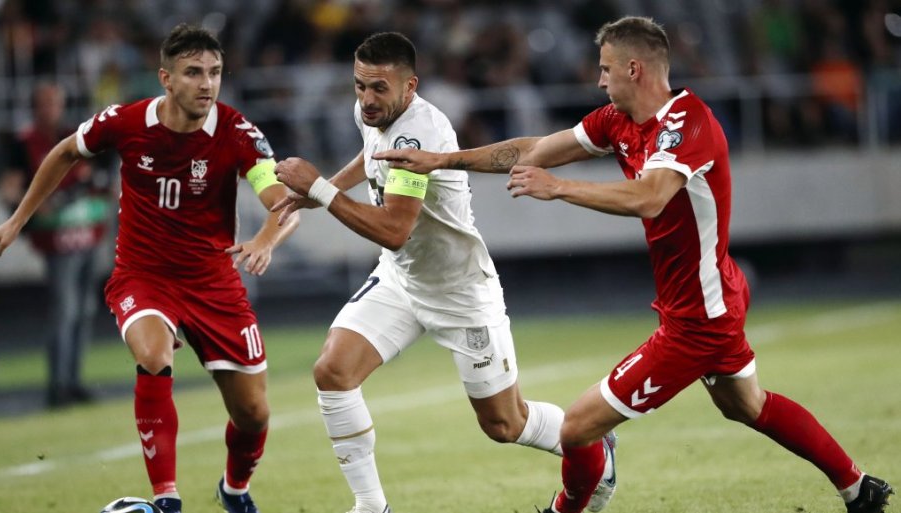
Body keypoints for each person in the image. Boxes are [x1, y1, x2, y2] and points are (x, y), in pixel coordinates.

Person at [373, 16, 894, 513]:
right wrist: (443, 161)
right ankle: (858, 488)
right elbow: (535, 149)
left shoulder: (688, 124)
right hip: (709, 299)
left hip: (697, 320)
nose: (599, 80)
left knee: (578, 428)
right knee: (746, 405)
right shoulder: (617, 122)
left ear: (633, 69)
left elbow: (650, 197)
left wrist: (559, 188)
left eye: (605, 69)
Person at [271, 32, 617, 513]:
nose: (366, 99)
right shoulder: (372, 112)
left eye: (379, 89)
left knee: (504, 425)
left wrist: (321, 192)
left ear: (409, 86)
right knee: (332, 371)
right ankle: (371, 506)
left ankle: (592, 442)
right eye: (360, 86)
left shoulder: (420, 133)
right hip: (401, 278)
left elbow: (394, 229)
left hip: (459, 289)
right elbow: (371, 155)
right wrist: (327, 187)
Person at [0, 23, 299, 513]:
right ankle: (166, 499)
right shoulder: (126, 121)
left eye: (215, 72)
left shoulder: (238, 133)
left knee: (254, 413)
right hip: (144, 276)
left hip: (214, 283)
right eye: (193, 72)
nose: (207, 83)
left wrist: (265, 239)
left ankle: (234, 488)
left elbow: (284, 203)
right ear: (166, 78)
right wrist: (16, 221)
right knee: (154, 354)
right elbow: (66, 151)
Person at [0, 82, 112, 408]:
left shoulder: (75, 135)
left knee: (85, 310)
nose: (51, 109)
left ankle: (73, 381)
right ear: (35, 107)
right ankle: (58, 385)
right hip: (57, 238)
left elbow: (101, 177)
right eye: (45, 103)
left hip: (87, 232)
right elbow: (10, 188)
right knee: (65, 309)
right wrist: (28, 213)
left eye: (55, 102)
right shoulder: (24, 143)